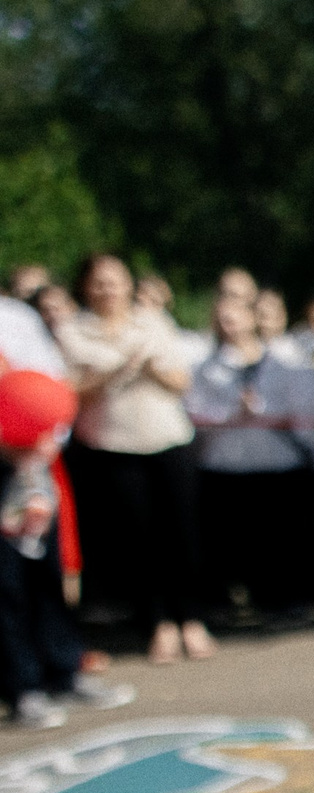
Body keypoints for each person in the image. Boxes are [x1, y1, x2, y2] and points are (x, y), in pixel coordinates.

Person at [55, 253, 213, 664]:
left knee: (183, 533)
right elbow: (69, 392)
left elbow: (181, 380)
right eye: (99, 283)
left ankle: (192, 619)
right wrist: (117, 371)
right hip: (113, 445)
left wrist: (151, 369)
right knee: (139, 538)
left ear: (129, 284)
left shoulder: (153, 322)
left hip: (168, 438)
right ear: (87, 288)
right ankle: (158, 623)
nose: (108, 290)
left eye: (116, 280)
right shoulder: (72, 332)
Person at [0, 289, 131, 723]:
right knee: (7, 584)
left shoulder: (15, 316)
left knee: (47, 571)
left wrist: (40, 440)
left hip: (37, 463)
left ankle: (64, 668)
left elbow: (49, 383)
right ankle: (22, 687)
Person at [185, 289, 314, 619]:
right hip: (227, 465)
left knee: (280, 539)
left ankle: (285, 598)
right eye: (222, 319)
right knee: (234, 540)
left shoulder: (281, 361)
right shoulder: (205, 367)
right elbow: (195, 411)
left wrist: (261, 410)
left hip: (277, 461)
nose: (228, 324)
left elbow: (301, 408)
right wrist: (231, 414)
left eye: (235, 317)